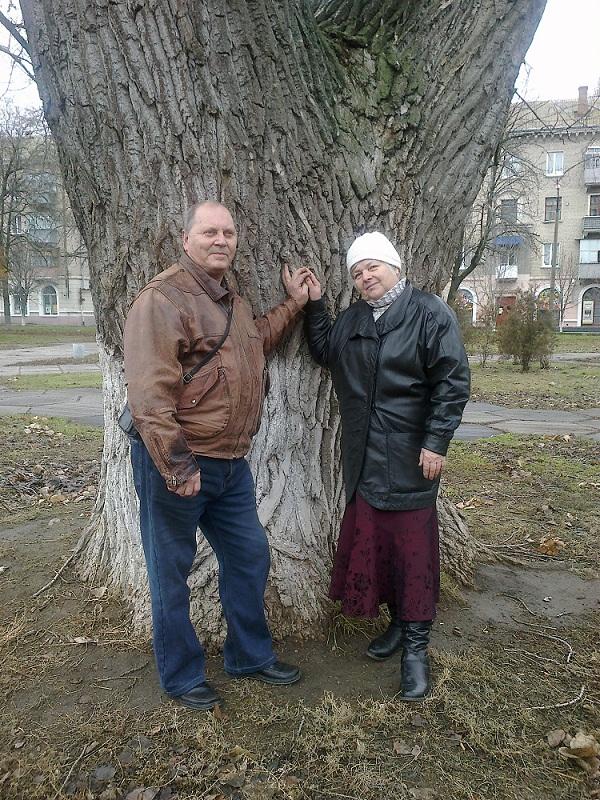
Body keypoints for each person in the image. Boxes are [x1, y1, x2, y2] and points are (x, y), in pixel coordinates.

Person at [123, 201, 312, 711]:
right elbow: (148, 396)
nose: (221, 240)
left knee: (249, 556)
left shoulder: (231, 301)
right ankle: (182, 676)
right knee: (170, 572)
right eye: (209, 232)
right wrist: (177, 466)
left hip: (231, 464)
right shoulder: (162, 299)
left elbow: (253, 343)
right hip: (180, 464)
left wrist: (293, 305)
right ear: (186, 240)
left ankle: (248, 656)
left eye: (228, 232)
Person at [303, 231, 470, 701]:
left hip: (413, 457)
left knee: (414, 554)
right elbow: (325, 352)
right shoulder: (354, 318)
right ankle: (398, 624)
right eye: (357, 272)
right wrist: (316, 306)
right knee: (382, 547)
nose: (365, 276)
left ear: (394, 266)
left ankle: (416, 649)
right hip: (365, 459)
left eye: (372, 266)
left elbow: (452, 382)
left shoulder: (429, 312)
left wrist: (436, 441)